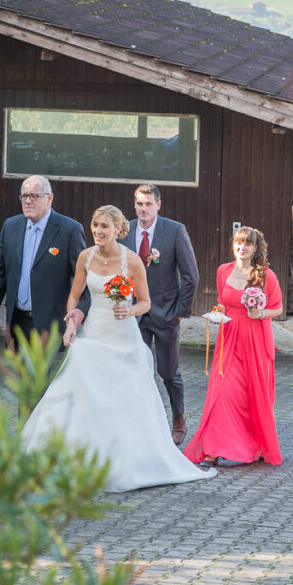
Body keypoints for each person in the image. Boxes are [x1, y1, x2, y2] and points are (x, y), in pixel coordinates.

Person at [22, 205, 214, 492]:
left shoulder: (133, 261)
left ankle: (123, 462)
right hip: (93, 333)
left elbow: (145, 302)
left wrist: (132, 311)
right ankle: (74, 458)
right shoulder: (85, 257)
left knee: (121, 399)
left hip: (122, 337)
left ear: (117, 230)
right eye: (95, 225)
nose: (98, 231)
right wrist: (72, 323)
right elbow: (74, 297)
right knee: (80, 394)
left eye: (104, 227)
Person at [184, 226, 283, 467]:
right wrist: (216, 313)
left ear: (256, 248)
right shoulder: (223, 271)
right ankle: (212, 449)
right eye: (239, 243)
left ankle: (256, 445)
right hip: (228, 337)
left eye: (248, 244)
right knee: (222, 391)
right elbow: (222, 302)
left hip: (255, 339)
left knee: (251, 394)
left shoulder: (265, 275)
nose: (242, 247)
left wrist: (261, 313)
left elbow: (278, 308)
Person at [0, 175, 88, 348]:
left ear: (49, 198)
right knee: (20, 374)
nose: (28, 201)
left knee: (40, 375)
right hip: (17, 323)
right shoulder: (11, 227)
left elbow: (84, 277)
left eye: (34, 196)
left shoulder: (70, 230)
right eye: (24, 196)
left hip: (50, 326)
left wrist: (80, 311)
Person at [125, 183, 199, 445]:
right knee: (139, 370)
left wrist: (179, 311)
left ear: (158, 204)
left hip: (165, 312)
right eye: (138, 203)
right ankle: (144, 422)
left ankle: (179, 416)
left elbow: (191, 276)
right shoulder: (126, 230)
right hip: (134, 315)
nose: (142, 209)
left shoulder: (175, 231)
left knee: (169, 373)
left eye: (147, 204)